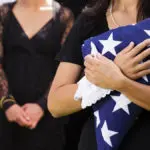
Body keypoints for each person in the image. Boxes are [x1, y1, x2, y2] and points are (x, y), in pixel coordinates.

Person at [48, 0, 150, 150]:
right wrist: (101, 82)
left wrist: (120, 81)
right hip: (96, 142)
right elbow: (55, 104)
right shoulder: (89, 19)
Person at [0, 0, 73, 150]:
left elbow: (67, 68)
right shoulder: (4, 13)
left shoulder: (63, 16)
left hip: (48, 115)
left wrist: (42, 106)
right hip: (6, 114)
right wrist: (8, 103)